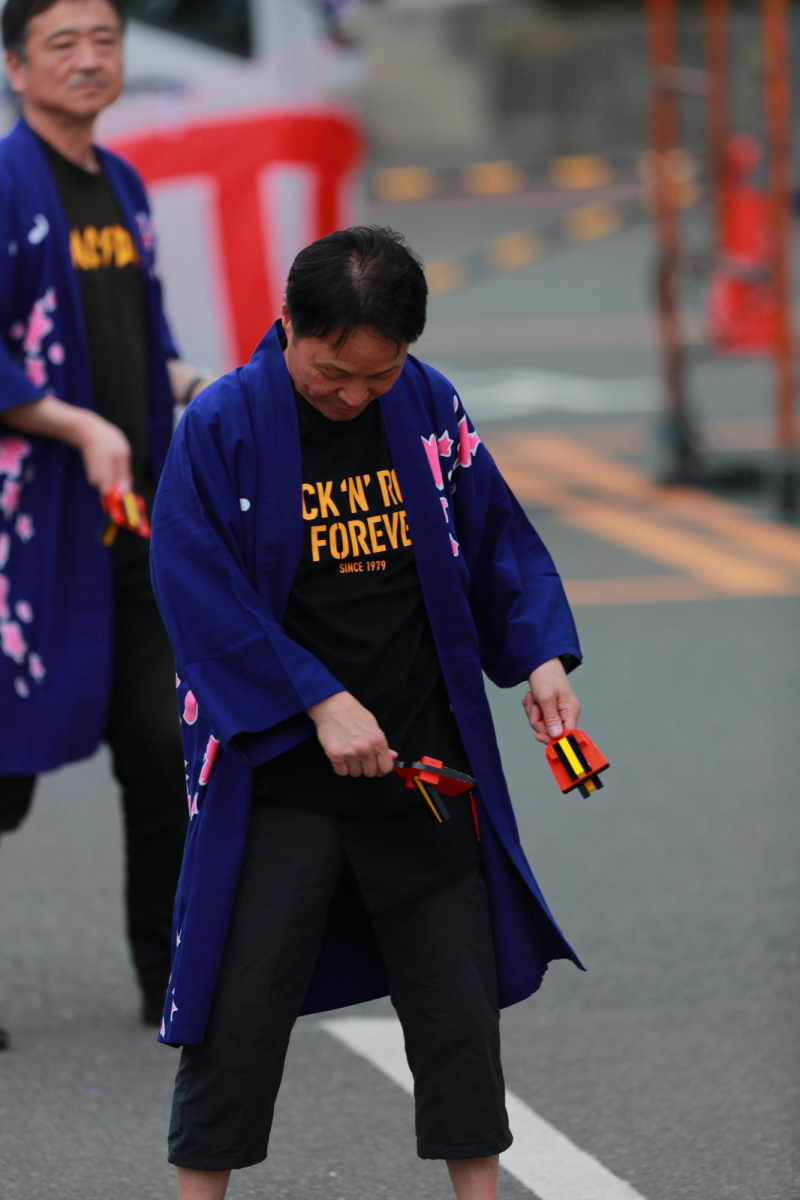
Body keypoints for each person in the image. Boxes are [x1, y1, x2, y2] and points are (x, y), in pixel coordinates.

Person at [150, 225, 585, 1200]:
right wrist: (315, 698)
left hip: (419, 765)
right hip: (282, 779)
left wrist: (542, 654)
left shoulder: (424, 404)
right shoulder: (221, 424)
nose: (350, 394)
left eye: (374, 377)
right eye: (329, 373)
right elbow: (195, 590)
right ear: (286, 327)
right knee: (239, 1004)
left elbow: (495, 538)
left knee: (457, 1005)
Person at [0, 0, 213, 1044]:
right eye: (62, 44)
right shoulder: (4, 184)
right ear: (14, 64)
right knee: (3, 773)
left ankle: (172, 979)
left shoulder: (121, 186)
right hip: (25, 539)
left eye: (105, 41)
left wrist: (202, 387)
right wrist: (77, 425)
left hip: (131, 528)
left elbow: (148, 335)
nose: (89, 61)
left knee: (163, 747)